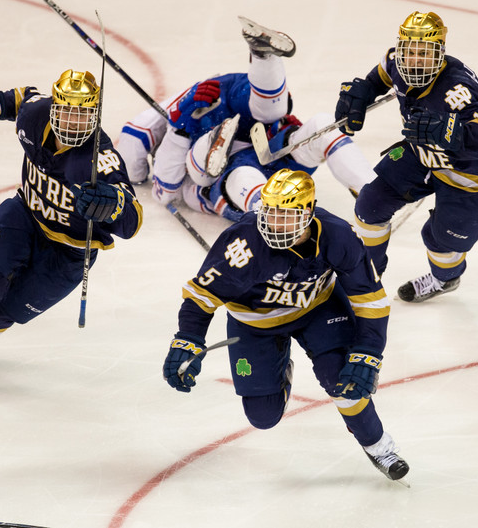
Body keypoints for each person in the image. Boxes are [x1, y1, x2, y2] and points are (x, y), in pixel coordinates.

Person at [162, 169, 409, 481]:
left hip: (319, 309)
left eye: (286, 215)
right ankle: (279, 366)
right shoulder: (244, 243)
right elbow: (202, 295)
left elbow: (370, 298)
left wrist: (368, 351)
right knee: (263, 417)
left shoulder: (338, 235)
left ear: (308, 211)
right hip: (256, 324)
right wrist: (187, 338)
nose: (275, 224)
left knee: (343, 380)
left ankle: (379, 447)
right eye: (270, 213)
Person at [0, 70, 143, 386]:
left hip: (71, 250)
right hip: (24, 215)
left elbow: (133, 220)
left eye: (83, 114)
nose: (72, 122)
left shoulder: (101, 160)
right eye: (66, 110)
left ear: (95, 114)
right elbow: (16, 99)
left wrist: (115, 204)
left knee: (9, 308)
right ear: (54, 106)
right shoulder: (36, 113)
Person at [115, 16, 375, 222]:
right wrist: (179, 126)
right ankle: (274, 218)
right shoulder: (174, 113)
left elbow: (149, 176)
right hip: (221, 171)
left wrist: (177, 127)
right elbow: (165, 192)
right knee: (233, 171)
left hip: (267, 147)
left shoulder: (165, 117)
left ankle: (374, 193)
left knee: (321, 125)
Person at [334, 11, 478, 303]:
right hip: (422, 152)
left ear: (440, 53)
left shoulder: (457, 89)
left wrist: (452, 132)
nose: (414, 60)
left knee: (439, 240)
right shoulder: (396, 62)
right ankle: (365, 280)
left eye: (424, 53)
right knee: (370, 204)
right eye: (410, 51)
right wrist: (366, 90)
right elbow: (382, 72)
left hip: (472, 177)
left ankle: (445, 279)